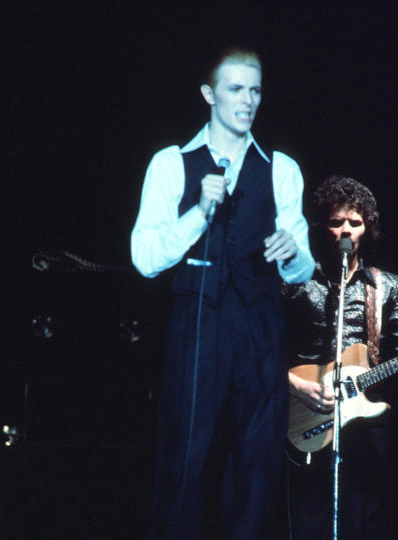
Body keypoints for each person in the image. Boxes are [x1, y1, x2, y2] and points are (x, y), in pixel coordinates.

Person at [131, 48, 315, 539]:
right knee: (185, 461)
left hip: (259, 328)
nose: (248, 100)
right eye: (236, 89)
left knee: (255, 469)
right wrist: (198, 214)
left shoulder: (281, 168)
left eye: (255, 90)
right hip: (195, 325)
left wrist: (291, 250)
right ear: (209, 95)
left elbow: (303, 270)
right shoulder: (171, 163)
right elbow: (144, 257)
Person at [282, 175, 398, 539]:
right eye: (337, 222)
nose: (346, 230)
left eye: (356, 222)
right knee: (308, 520)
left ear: (368, 228)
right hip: (299, 416)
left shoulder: (387, 286)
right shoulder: (294, 282)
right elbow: (259, 350)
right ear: (321, 226)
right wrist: (295, 385)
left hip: (364, 425)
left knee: (363, 522)